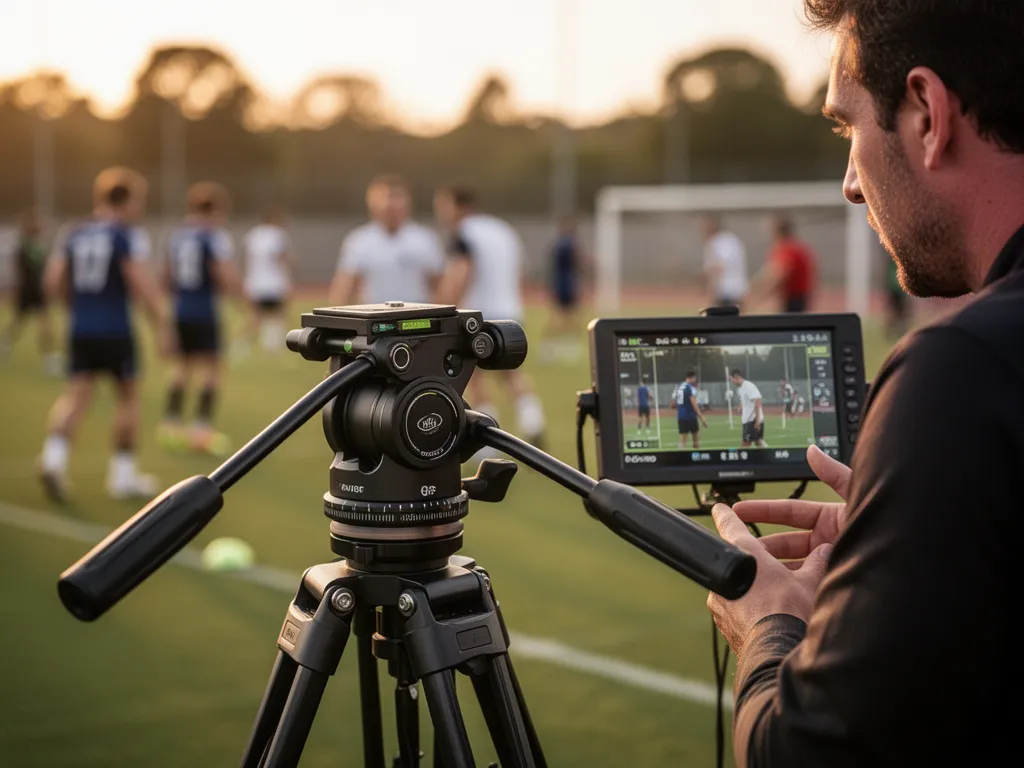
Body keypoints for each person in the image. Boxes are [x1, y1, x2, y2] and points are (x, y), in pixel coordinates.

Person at [706, 2, 1024, 765]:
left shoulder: (961, 370)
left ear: (926, 111)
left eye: (848, 128)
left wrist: (770, 628)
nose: (850, 183)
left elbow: (810, 753)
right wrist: (934, 527)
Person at [38, 167, 170, 502]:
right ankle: (122, 478)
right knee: (128, 399)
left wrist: (76, 307)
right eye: (137, 201)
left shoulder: (74, 232)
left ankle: (53, 460)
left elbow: (53, 281)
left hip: (81, 328)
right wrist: (162, 324)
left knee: (76, 397)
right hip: (115, 329)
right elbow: (139, 282)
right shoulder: (123, 234)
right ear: (125, 200)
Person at [434, 184, 546, 447]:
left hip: (478, 315)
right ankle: (533, 420)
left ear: (456, 206)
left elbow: (462, 273)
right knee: (511, 374)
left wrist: (442, 309)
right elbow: (521, 272)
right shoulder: (501, 229)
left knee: (474, 376)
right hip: (510, 312)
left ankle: (486, 441)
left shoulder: (463, 234)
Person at [158, 182, 238, 456]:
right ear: (214, 210)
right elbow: (224, 275)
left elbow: (166, 277)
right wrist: (241, 298)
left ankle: (170, 426)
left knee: (181, 368)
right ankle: (201, 431)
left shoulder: (177, 237)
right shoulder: (212, 237)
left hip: (180, 309)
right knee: (212, 370)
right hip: (204, 311)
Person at [329, 175, 445, 306]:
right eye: (384, 198)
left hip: (416, 318)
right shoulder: (359, 241)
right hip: (377, 318)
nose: (390, 204)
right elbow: (345, 288)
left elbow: (439, 286)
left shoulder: (425, 239)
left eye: (396, 197)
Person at [1, 209, 60, 374]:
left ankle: (49, 357)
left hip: (38, 291)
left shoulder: (40, 247)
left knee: (45, 324)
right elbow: (18, 269)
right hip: (27, 290)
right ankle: (5, 345)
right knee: (17, 323)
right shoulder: (23, 247)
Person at [240, 208, 295, 354]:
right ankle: (273, 346)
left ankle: (241, 345)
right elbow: (281, 257)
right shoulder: (278, 235)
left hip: (255, 283)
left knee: (256, 317)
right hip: (274, 283)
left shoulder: (253, 235)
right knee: (279, 315)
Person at [541, 213, 588, 361]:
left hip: (559, 284)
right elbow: (578, 260)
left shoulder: (557, 244)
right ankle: (566, 349)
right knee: (571, 318)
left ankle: (548, 348)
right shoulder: (568, 243)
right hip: (567, 285)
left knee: (560, 318)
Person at [753, 215, 817, 312]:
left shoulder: (787, 249)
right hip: (797, 297)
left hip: (793, 299)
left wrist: (760, 297)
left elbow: (780, 275)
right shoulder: (797, 247)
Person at [700, 214, 748, 308]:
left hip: (725, 292)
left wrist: (712, 291)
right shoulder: (731, 239)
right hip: (738, 290)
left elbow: (718, 267)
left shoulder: (716, 243)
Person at [729, 369, 764, 447]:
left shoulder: (748, 386)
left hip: (752, 420)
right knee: (758, 442)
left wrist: (757, 420)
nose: (731, 382)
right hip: (750, 420)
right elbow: (745, 400)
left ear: (736, 378)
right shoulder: (740, 389)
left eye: (731, 379)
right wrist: (740, 407)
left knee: (745, 444)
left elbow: (757, 401)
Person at [674, 370, 708, 448]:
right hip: (690, 416)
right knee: (696, 440)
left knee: (683, 441)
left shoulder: (679, 386)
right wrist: (702, 417)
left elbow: (676, 402)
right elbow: (694, 404)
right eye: (695, 378)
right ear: (692, 377)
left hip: (681, 416)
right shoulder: (690, 388)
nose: (695, 380)